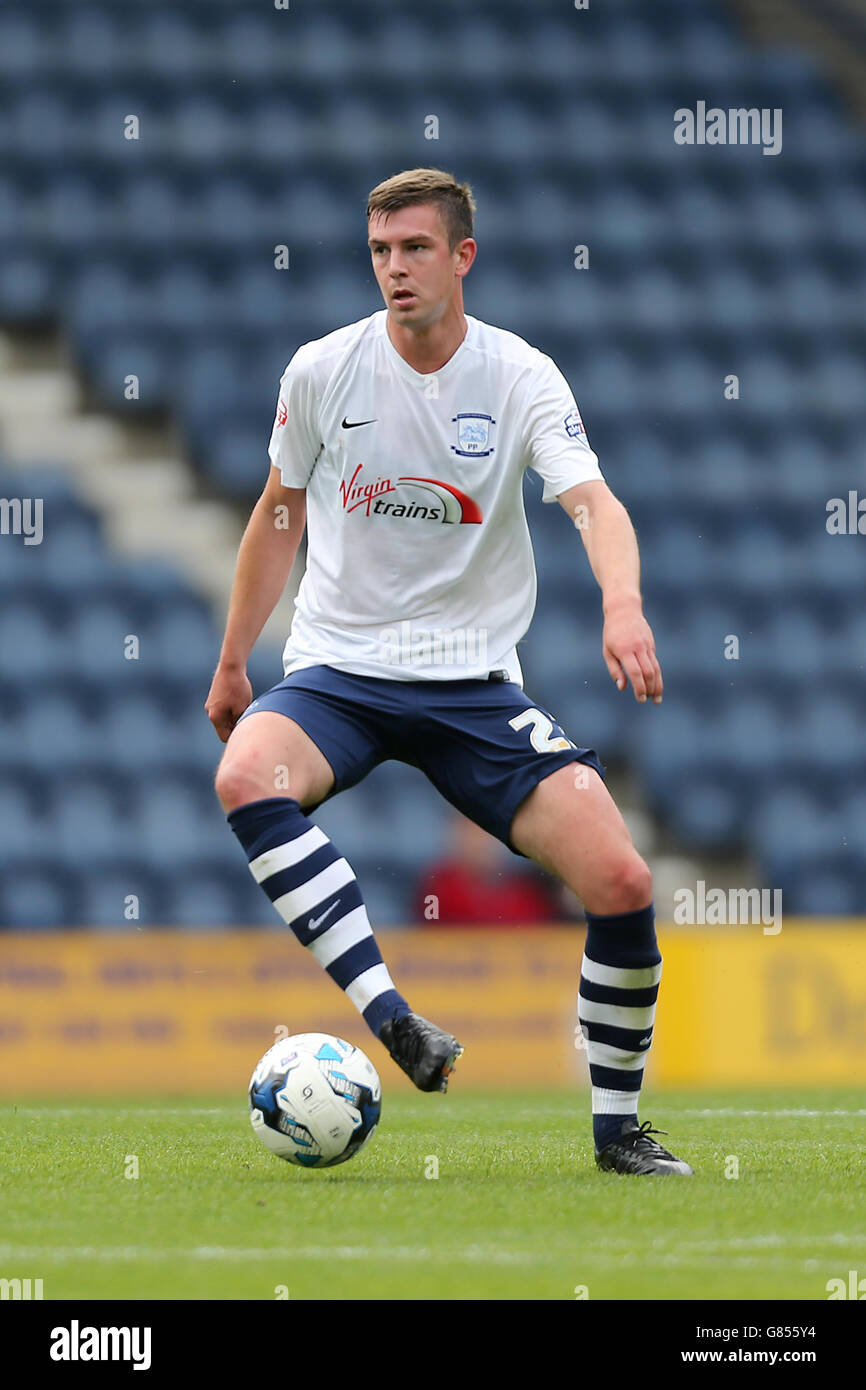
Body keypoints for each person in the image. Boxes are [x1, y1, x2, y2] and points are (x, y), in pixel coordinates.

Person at [205, 167, 692, 1176]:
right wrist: (231, 659)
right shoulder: (321, 372)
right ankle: (391, 1018)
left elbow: (593, 503)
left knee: (621, 877)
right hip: (340, 668)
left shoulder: (517, 376)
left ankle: (617, 1134)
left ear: (461, 256)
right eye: (380, 250)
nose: (394, 269)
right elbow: (277, 511)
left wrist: (622, 603)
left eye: (415, 248)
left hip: (470, 683)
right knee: (245, 772)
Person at [414, 812, 569, 926]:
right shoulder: (440, 888)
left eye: (484, 834)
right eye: (470, 832)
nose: (478, 843)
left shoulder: (527, 891)